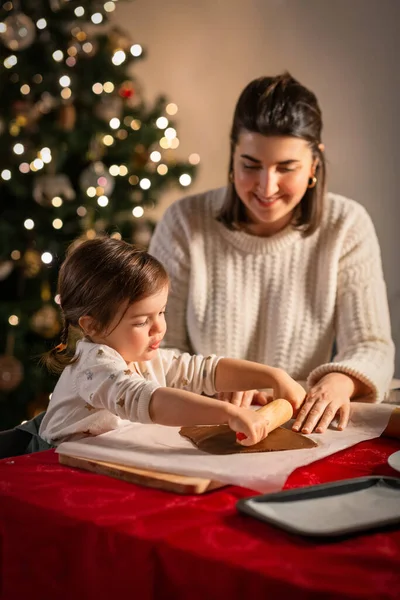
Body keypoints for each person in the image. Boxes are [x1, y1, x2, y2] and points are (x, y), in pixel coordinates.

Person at [148, 72, 395, 435]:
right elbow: (157, 348)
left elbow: (371, 345)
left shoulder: (347, 225)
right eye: (250, 165)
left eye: (286, 167)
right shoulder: (184, 223)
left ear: (314, 164)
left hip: (302, 426)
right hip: (204, 421)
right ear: (232, 156)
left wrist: (340, 381)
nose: (267, 186)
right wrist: (223, 378)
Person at [39, 236, 306, 447]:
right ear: (93, 325)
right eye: (142, 321)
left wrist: (274, 377)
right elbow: (151, 401)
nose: (159, 327)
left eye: (162, 312)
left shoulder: (146, 357)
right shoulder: (94, 368)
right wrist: (228, 413)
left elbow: (204, 370)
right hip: (50, 465)